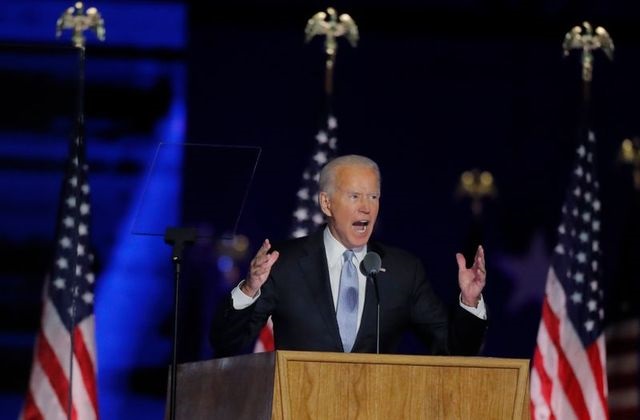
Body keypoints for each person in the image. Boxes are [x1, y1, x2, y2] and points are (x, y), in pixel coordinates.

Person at [211, 154, 487, 357]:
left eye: (374, 197)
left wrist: (470, 300)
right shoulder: (285, 264)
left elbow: (453, 349)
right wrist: (249, 288)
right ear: (326, 203)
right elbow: (227, 343)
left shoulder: (404, 270)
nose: (366, 208)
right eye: (355, 196)